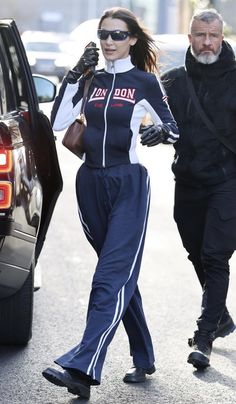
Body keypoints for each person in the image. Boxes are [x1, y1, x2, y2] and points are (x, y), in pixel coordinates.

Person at [42, 7, 179, 399]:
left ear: (133, 39)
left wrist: (160, 134)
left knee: (109, 278)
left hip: (128, 184)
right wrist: (73, 74)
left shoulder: (144, 82)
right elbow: (58, 123)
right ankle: (144, 355)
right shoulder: (92, 79)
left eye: (118, 35)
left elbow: (172, 127)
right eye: (104, 34)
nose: (109, 41)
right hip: (90, 184)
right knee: (117, 275)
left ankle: (82, 367)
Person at [157, 8, 236, 370]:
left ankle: (203, 337)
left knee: (215, 257)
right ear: (190, 38)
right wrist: (158, 134)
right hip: (187, 181)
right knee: (195, 252)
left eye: (213, 36)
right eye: (200, 35)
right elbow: (165, 126)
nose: (207, 42)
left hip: (228, 181)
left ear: (223, 38)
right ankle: (219, 315)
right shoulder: (173, 80)